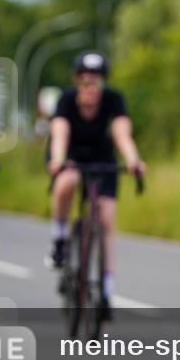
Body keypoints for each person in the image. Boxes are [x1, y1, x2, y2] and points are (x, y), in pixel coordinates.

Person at [45, 51, 145, 319]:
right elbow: (59, 132)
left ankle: (106, 290)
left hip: (103, 159)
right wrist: (57, 159)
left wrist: (133, 159)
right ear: (77, 82)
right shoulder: (66, 100)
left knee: (107, 218)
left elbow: (122, 133)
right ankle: (60, 238)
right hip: (70, 156)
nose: (91, 87)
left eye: (97, 82)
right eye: (85, 81)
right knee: (67, 182)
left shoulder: (113, 100)